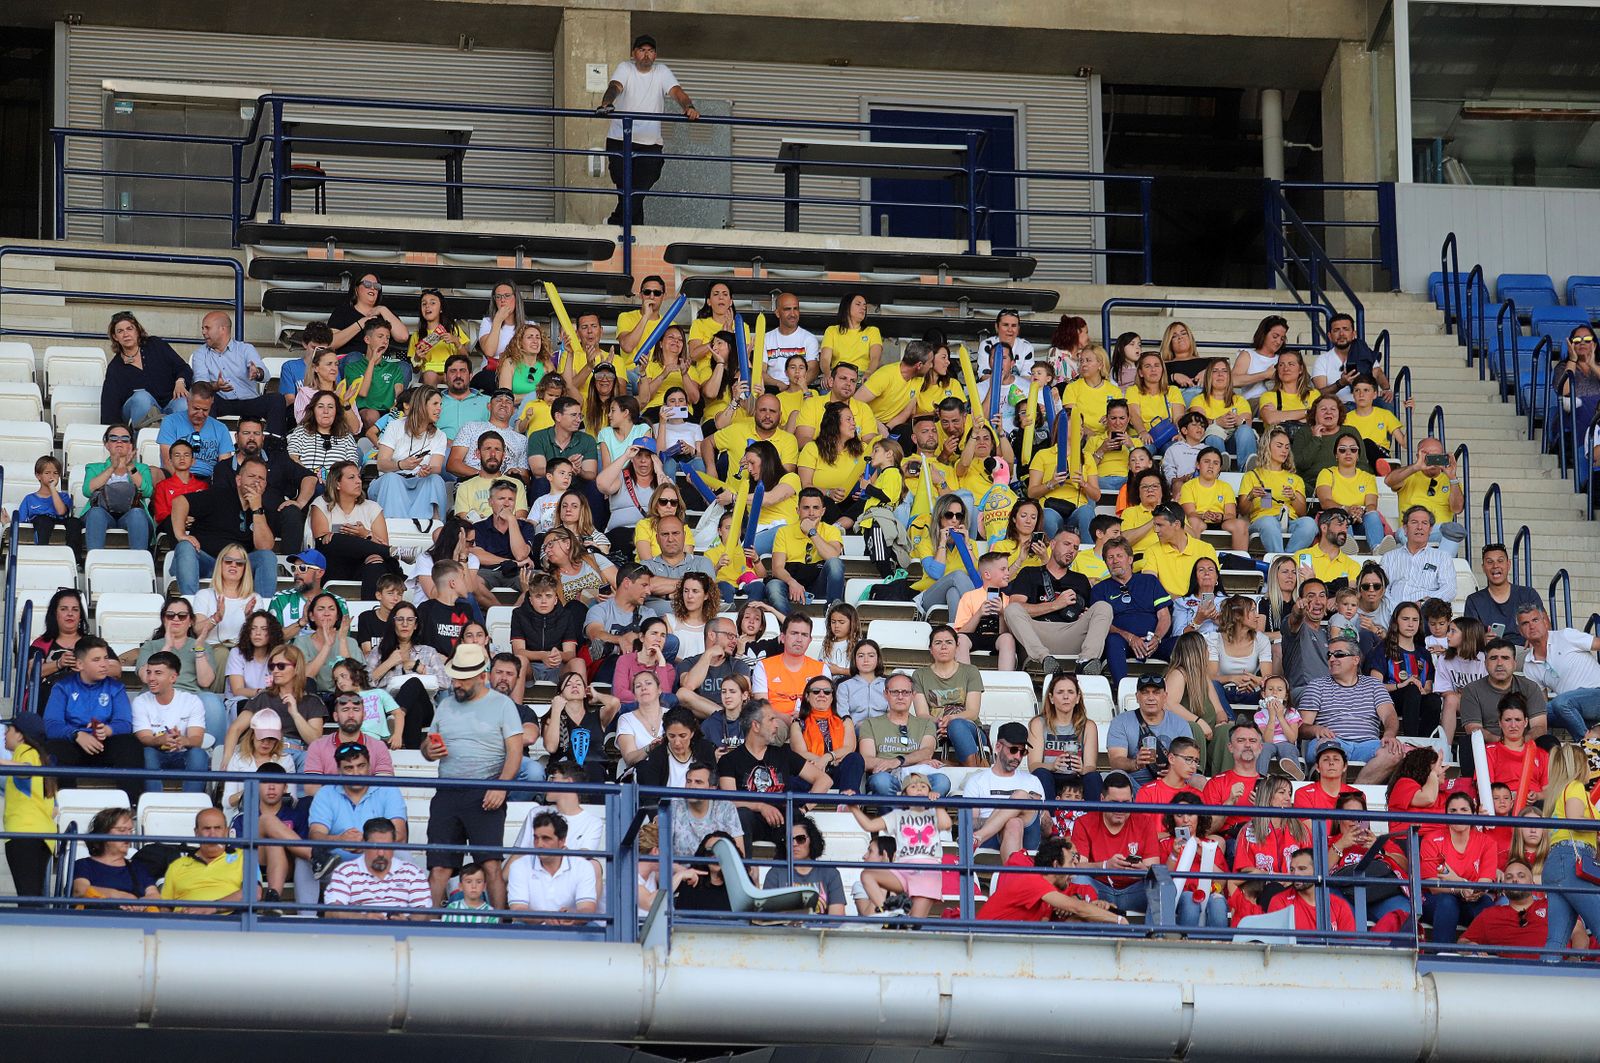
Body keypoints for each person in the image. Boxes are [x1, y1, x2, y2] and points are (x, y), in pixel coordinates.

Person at [422, 644, 525, 910]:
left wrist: (501, 787)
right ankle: (426, 932)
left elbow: (515, 752)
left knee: (491, 865)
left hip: (486, 791)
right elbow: (427, 747)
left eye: (463, 678)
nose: (457, 683)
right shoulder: (445, 705)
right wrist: (428, 750)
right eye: (455, 676)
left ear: (482, 676)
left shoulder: (503, 705)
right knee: (439, 868)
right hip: (446, 792)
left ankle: (502, 929)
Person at [596, 33, 698, 226]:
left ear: (655, 55)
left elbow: (677, 92)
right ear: (634, 53)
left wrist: (688, 107)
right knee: (626, 188)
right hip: (621, 139)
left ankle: (615, 222)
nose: (646, 55)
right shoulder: (625, 68)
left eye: (650, 51)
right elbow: (615, 86)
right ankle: (634, 231)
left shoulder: (661, 72)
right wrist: (606, 103)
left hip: (650, 143)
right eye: (642, 50)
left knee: (640, 188)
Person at [40, 636, 142, 805]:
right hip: (74, 745)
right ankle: (65, 805)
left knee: (130, 743)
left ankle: (130, 805)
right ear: (80, 665)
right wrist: (76, 734)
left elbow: (124, 723)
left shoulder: (116, 688)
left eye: (105, 658)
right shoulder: (62, 687)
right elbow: (51, 725)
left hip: (105, 744)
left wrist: (108, 730)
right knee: (54, 748)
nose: (104, 664)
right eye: (96, 660)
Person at [716, 700, 829, 846]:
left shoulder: (784, 754)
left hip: (782, 821)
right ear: (755, 726)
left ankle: (798, 869)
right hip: (751, 821)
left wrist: (804, 808)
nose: (776, 724)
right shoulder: (729, 760)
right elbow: (729, 800)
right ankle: (745, 868)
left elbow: (824, 780)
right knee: (741, 816)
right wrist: (761, 806)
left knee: (798, 821)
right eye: (771, 719)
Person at [1298, 634, 1403, 782]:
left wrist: (1390, 734)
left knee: (1394, 752)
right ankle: (1337, 795)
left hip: (1368, 745)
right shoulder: (1317, 686)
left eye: (1339, 654)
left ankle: (1355, 795)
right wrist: (1316, 730)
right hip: (1332, 742)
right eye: (1329, 655)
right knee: (1328, 750)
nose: (1332, 659)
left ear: (1356, 659)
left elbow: (1389, 716)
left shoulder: (1374, 685)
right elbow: (1301, 727)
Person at [168, 459, 278, 599]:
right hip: (205, 562)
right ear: (238, 480)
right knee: (185, 546)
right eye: (251, 476)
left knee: (267, 557)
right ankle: (190, 606)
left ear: (265, 485)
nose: (256, 481)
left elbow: (265, 547)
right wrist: (181, 534)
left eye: (261, 478)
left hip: (238, 566)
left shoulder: (264, 510)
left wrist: (256, 509)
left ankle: (263, 615)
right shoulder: (219, 495)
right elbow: (180, 501)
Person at [1070, 771, 1161, 913]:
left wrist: (1142, 871)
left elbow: (1153, 867)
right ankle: (1086, 934)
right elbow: (1078, 867)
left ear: (1132, 800)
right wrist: (1105, 866)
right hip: (1099, 890)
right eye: (1114, 803)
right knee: (1078, 879)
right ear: (1102, 799)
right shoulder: (1084, 822)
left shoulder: (1145, 822)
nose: (1120, 808)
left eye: (1126, 803)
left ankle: (1155, 935)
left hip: (1135, 891)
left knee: (1158, 885)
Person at [1419, 791, 1500, 943]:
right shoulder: (1431, 840)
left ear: (1473, 813)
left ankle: (1485, 957)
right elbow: (1434, 887)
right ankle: (1443, 955)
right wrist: (1461, 887)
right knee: (1447, 901)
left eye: (1464, 810)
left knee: (1486, 904)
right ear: (1446, 814)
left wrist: (1464, 885)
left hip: (1470, 899)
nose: (1458, 815)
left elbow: (1484, 883)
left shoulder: (1487, 843)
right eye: (1453, 811)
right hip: (1436, 901)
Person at [1091, 537, 1173, 687]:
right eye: (1110, 557)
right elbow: (1101, 623)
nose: (1115, 561)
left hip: (1154, 642)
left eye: (1119, 556)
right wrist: (1129, 637)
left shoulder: (1149, 581)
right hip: (1121, 643)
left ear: (1130, 559)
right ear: (1106, 562)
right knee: (1112, 640)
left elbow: (1164, 615)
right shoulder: (1099, 589)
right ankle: (1122, 691)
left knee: (1183, 644)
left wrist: (1157, 637)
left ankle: (1172, 694)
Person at [961, 722, 1046, 859]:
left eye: (1022, 752)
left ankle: (978, 837)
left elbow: (1045, 827)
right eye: (1013, 750)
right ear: (998, 747)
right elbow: (971, 822)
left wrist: (1039, 809)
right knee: (1014, 822)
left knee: (1021, 795)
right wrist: (1006, 817)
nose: (1018, 757)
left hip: (1027, 836)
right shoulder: (977, 781)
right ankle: (1013, 878)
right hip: (992, 840)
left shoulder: (1033, 781)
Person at [1517, 604, 1600, 740]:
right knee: (1534, 715)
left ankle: (1587, 743)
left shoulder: (1565, 636)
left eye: (1535, 620)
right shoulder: (1529, 664)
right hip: (1571, 708)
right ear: (1520, 631)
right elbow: (1541, 705)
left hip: (1596, 695)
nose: (1531, 626)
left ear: (1544, 622)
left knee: (1561, 702)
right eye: (1525, 623)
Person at [130, 651, 208, 793]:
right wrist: (161, 740)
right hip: (155, 753)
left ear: (173, 677)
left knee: (198, 754)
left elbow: (197, 740)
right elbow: (143, 738)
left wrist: (184, 741)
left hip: (183, 753)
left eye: (158, 673)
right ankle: (152, 804)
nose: (151, 678)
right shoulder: (140, 701)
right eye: (149, 672)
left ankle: (192, 804)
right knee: (147, 753)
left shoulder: (191, 701)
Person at [859, 674, 949, 797]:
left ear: (913, 695)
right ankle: (897, 816)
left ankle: (918, 815)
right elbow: (867, 761)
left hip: (918, 777)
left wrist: (898, 762)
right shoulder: (870, 723)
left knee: (942, 781)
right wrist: (902, 765)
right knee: (881, 781)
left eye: (906, 692)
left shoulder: (926, 723)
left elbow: (926, 752)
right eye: (895, 692)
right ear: (886, 694)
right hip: (887, 776)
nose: (900, 697)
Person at [324, 817, 430, 920]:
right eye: (375, 846)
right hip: (359, 934)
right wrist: (364, 918)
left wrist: (406, 921)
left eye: (386, 847)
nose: (381, 853)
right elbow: (331, 912)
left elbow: (425, 913)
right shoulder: (345, 872)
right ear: (364, 844)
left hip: (402, 935)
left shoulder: (412, 872)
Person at [191, 310, 281, 432]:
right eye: (203, 328)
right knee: (205, 398)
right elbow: (199, 386)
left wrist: (257, 373)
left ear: (222, 329)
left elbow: (265, 375)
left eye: (207, 328)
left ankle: (275, 444)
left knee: (277, 400)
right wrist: (216, 386)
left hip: (250, 401)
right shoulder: (200, 354)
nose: (203, 332)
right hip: (222, 402)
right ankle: (209, 443)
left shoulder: (245, 349)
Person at [911, 625, 986, 768]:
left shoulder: (970, 671)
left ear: (957, 647)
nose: (943, 646)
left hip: (969, 730)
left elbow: (972, 712)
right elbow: (922, 714)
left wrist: (950, 720)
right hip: (936, 728)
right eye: (938, 643)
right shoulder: (919, 675)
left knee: (957, 725)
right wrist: (941, 723)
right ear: (930, 649)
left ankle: (970, 770)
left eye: (949, 642)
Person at [1105, 673, 1196, 792]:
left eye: (1156, 692)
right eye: (1145, 692)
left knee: (1198, 780)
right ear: (1137, 697)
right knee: (1116, 776)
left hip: (1172, 783)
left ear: (1165, 696)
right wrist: (1135, 763)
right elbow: (1115, 761)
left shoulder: (1180, 723)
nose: (1151, 697)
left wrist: (1174, 771)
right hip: (1135, 785)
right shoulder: (1121, 721)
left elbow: (1189, 758)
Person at [507, 811, 600, 924]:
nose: (539, 844)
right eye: (536, 838)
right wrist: (546, 917)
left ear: (562, 841)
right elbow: (517, 910)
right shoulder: (519, 866)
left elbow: (588, 909)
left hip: (569, 929)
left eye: (546, 838)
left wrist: (573, 917)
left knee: (592, 926)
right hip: (533, 928)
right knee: (518, 925)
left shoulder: (583, 866)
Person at [102, 309, 192, 426]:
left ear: (137, 331)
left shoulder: (155, 345)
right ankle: (141, 439)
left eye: (129, 329)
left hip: (169, 405)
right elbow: (110, 405)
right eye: (120, 331)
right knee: (141, 397)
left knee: (182, 403)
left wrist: (180, 381)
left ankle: (180, 442)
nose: (126, 334)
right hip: (136, 411)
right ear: (115, 337)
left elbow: (183, 367)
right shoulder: (115, 367)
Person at [372, 386, 449, 520]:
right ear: (421, 405)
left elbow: (436, 467)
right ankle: (393, 530)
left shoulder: (440, 435)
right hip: (390, 483)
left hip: (420, 481)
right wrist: (401, 465)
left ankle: (433, 530)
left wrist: (427, 470)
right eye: (435, 404)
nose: (439, 409)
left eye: (440, 404)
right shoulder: (395, 426)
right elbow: (381, 464)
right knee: (392, 478)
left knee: (436, 480)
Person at [80, 422, 157, 553]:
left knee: (137, 514)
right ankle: (94, 562)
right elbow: (87, 491)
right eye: (114, 439)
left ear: (131, 445)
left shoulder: (142, 468)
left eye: (125, 439)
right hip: (102, 513)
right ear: (106, 444)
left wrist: (130, 467)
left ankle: (140, 563)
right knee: (96, 513)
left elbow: (148, 492)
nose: (119, 442)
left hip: (132, 512)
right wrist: (112, 468)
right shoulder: (93, 467)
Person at [2, 713, 55, 901]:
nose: (5, 734)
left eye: (9, 730)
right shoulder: (42, 757)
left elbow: (24, 770)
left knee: (27, 898)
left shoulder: (26, 752)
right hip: (42, 835)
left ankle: (31, 930)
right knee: (32, 896)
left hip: (25, 835)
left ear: (20, 735)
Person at [161, 808, 252, 914]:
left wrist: (210, 908)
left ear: (226, 831)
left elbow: (254, 893)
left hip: (230, 924)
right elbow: (165, 909)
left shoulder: (244, 857)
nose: (212, 834)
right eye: (207, 828)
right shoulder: (177, 865)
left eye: (217, 828)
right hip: (185, 923)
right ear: (196, 833)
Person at [1028, 672, 1102, 802]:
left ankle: (1092, 820)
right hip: (1050, 777)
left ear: (1078, 698)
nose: (1066, 696)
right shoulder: (1039, 724)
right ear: (1051, 698)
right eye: (1060, 692)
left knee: (1093, 777)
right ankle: (1049, 819)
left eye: (1070, 692)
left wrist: (1082, 768)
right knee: (1041, 774)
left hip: (1076, 779)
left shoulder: (1088, 726)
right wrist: (1052, 766)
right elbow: (1034, 765)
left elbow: (1091, 766)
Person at [1460, 637, 1549, 740]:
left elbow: (1540, 727)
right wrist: (1504, 744)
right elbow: (1473, 729)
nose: (1499, 663)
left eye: (1505, 658)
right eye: (1493, 658)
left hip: (1526, 746)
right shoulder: (1472, 690)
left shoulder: (1530, 687)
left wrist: (1520, 744)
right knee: (1467, 743)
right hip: (1488, 748)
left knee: (1548, 741)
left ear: (1515, 663)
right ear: (1485, 664)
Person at [1459, 858, 1550, 959]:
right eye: (1509, 877)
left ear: (1532, 882)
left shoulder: (1551, 906)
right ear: (1504, 886)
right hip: (1508, 972)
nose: (1515, 880)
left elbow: (1571, 933)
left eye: (1521, 876)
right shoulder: (1490, 915)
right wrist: (1470, 947)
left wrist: (1572, 959)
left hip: (1557, 971)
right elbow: (1462, 942)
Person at [71, 806, 160, 908]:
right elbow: (80, 890)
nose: (128, 835)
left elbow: (154, 894)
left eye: (130, 831)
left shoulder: (137, 868)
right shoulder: (84, 865)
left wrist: (142, 903)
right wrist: (120, 896)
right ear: (103, 833)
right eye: (122, 830)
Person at [789, 678, 863, 794]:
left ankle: (847, 802)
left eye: (827, 692)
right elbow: (800, 753)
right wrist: (820, 762)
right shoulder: (798, 723)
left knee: (855, 758)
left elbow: (849, 748)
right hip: (813, 772)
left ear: (832, 697)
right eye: (816, 691)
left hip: (838, 771)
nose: (822, 695)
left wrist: (827, 757)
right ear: (807, 696)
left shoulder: (845, 721)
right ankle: (800, 809)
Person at [1465, 543, 1545, 647]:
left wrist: (1535, 639)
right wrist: (1481, 641)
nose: (1495, 566)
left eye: (1500, 561)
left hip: (1524, 650)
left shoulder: (1528, 594)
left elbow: (1545, 625)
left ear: (1508, 564)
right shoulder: (1474, 600)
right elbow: (1469, 639)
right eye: (1490, 562)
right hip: (1491, 653)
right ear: (1483, 568)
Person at [750, 612, 827, 717]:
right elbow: (762, 708)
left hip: (811, 722)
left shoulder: (822, 669)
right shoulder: (763, 666)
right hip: (775, 723)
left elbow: (825, 707)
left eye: (804, 635)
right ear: (782, 637)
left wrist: (803, 717)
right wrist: (789, 719)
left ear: (810, 640)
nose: (799, 639)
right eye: (794, 633)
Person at [1381, 507, 1458, 609]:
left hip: (1426, 615)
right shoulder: (1389, 557)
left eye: (1424, 523)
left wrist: (1425, 602)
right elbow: (1382, 589)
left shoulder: (1442, 557)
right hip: (1393, 614)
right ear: (1405, 529)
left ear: (1430, 530)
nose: (1419, 527)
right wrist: (1395, 609)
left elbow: (1449, 589)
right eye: (1414, 522)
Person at [1311, 312, 1387, 404]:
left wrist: (1386, 389)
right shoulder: (1322, 360)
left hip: (1365, 405)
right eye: (1336, 330)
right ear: (1330, 336)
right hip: (1338, 408)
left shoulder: (1364, 352)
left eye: (1345, 329)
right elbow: (1319, 394)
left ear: (1353, 334)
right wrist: (1341, 383)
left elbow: (1378, 373)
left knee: (1386, 401)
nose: (1341, 334)